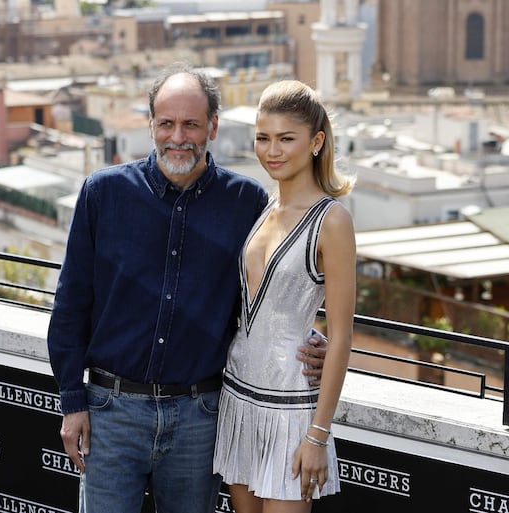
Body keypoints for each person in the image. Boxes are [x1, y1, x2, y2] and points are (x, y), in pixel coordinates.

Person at [46, 63, 327, 513]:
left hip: (201, 418)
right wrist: (71, 401)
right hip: (110, 413)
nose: (178, 136)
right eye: (167, 123)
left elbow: (269, 300)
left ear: (212, 126)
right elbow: (70, 306)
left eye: (191, 124)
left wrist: (312, 340)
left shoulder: (248, 203)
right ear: (152, 124)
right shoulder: (103, 193)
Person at [213, 80, 357, 512]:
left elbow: (344, 335)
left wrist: (317, 435)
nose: (272, 150)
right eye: (263, 138)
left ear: (316, 142)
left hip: (292, 411)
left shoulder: (332, 221)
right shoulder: (263, 208)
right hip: (237, 398)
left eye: (285, 139)